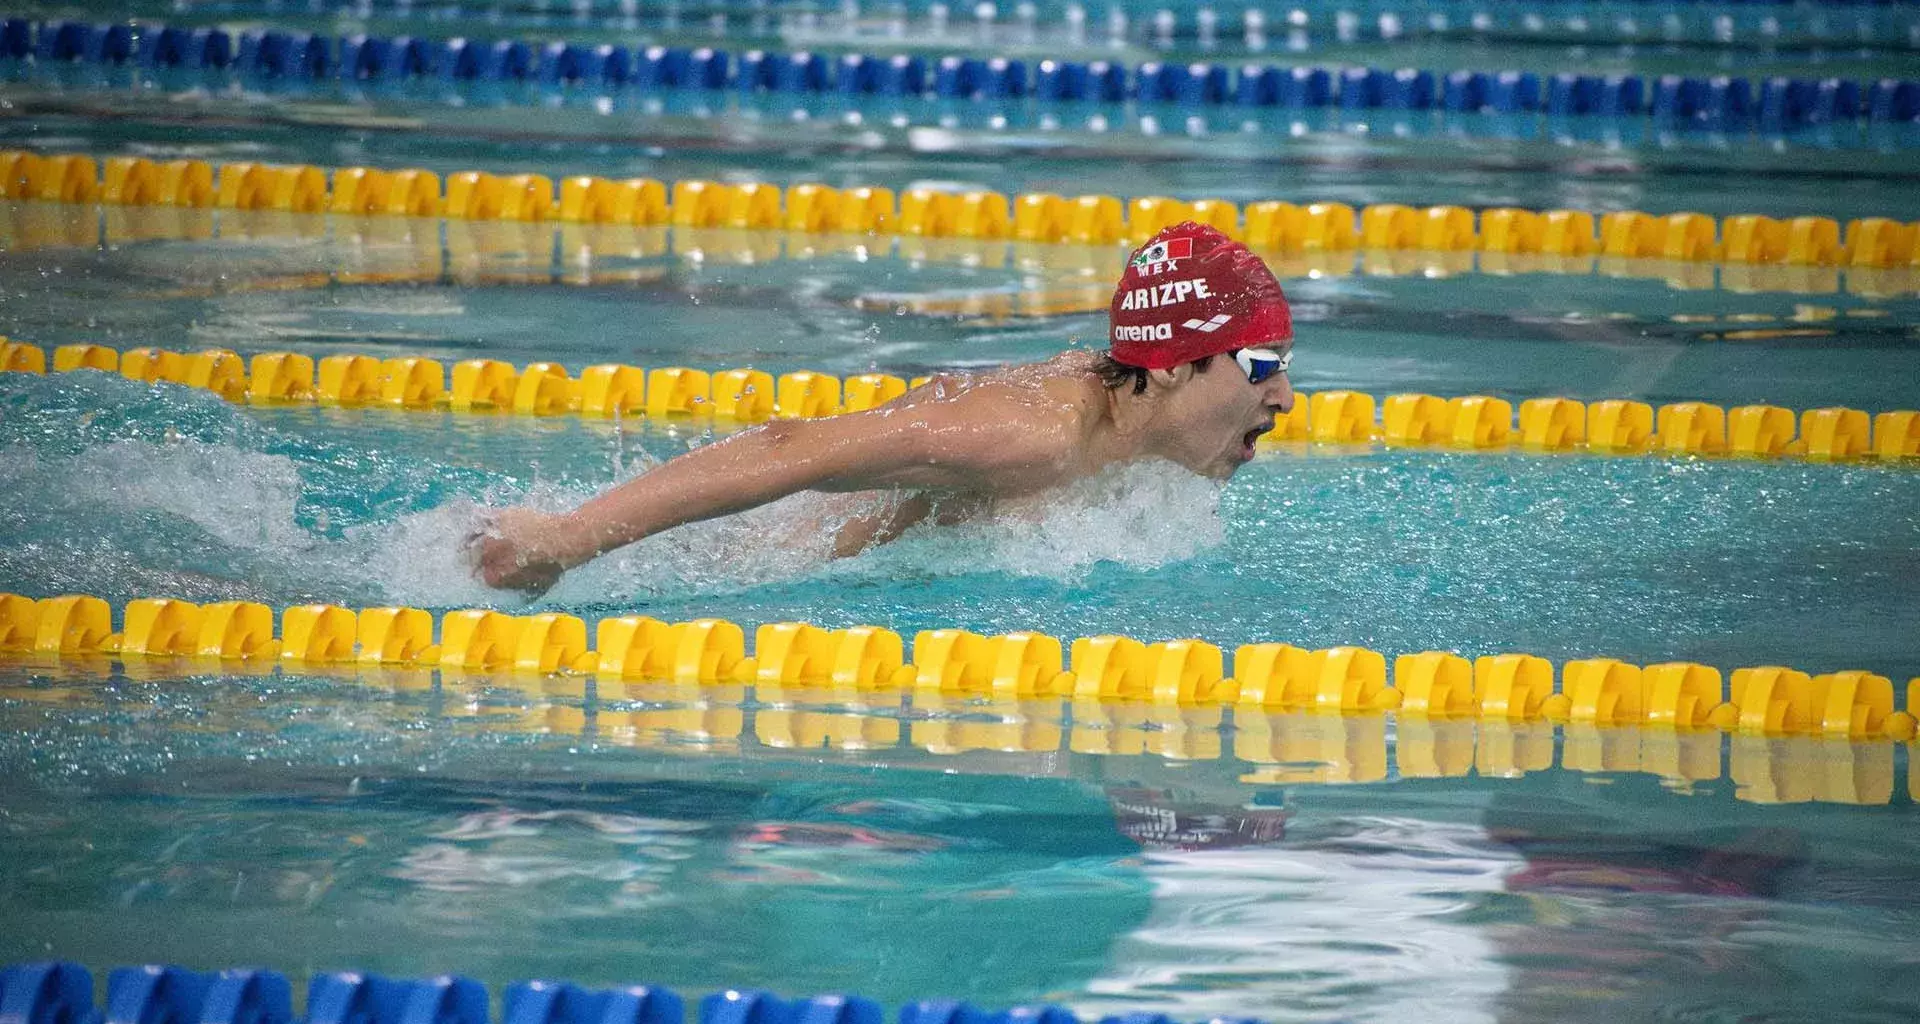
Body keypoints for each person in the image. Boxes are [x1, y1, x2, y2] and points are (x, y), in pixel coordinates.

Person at [474, 221, 1297, 593]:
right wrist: (570, 538)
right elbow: (789, 447)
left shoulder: (1141, 426)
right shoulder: (1031, 433)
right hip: (760, 571)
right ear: (1169, 368)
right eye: (1261, 364)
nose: (1285, 397)